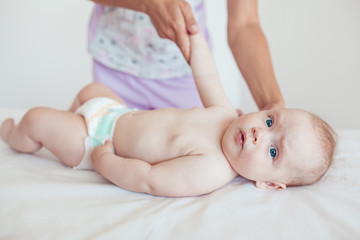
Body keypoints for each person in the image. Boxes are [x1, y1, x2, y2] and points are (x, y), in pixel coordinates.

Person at [0, 33, 336, 197]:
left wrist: (106, 161)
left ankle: (17, 136)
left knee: (37, 120)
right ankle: (71, 117)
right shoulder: (224, 113)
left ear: (269, 183)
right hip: (117, 113)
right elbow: (207, 77)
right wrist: (196, 43)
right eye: (269, 121)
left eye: (273, 151)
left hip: (98, 142)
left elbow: (151, 179)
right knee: (90, 90)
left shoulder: (211, 168)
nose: (262, 135)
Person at [88, 0, 285, 110]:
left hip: (185, 74)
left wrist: (271, 103)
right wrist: (148, 4)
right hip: (115, 65)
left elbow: (244, 25)